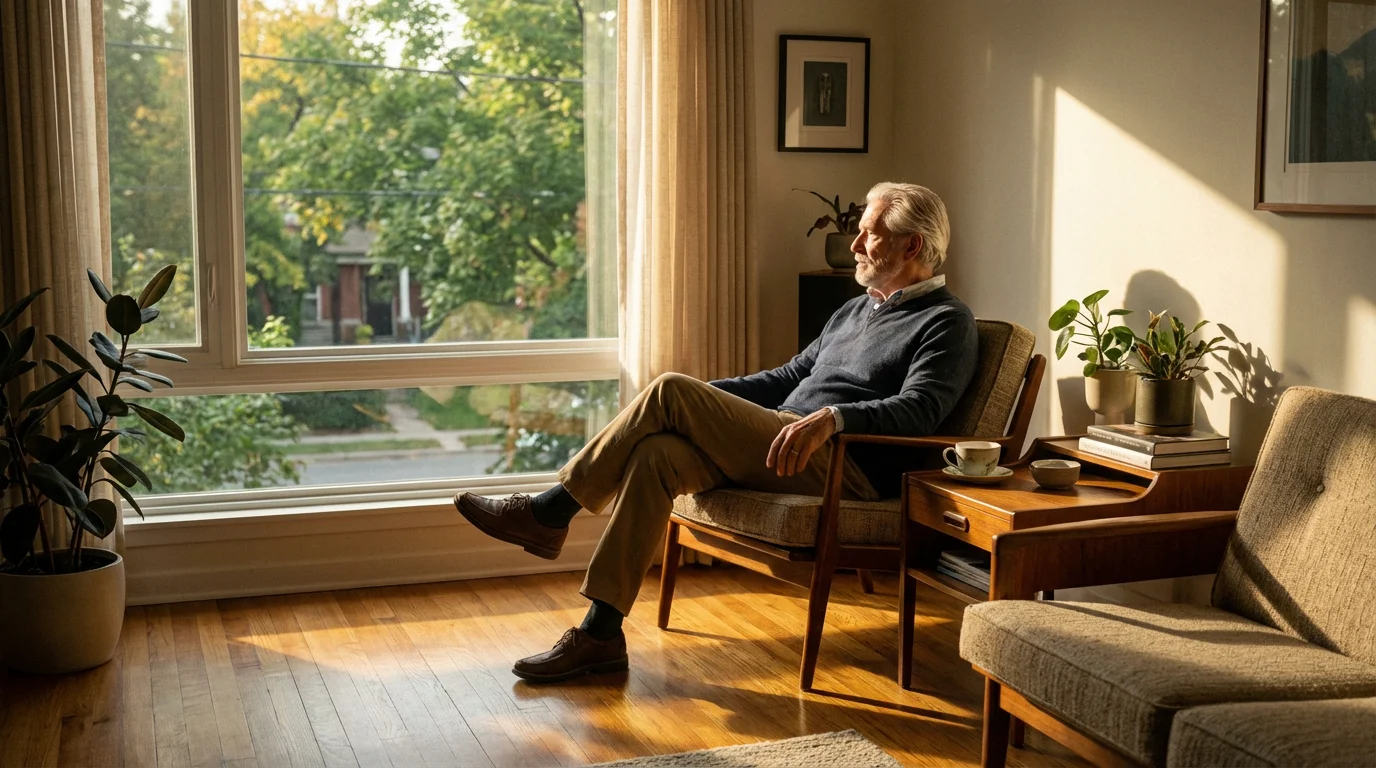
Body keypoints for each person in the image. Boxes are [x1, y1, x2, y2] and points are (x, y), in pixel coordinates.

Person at [455, 182, 979, 682]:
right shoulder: (854, 310)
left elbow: (921, 409)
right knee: (657, 451)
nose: (857, 244)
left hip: (845, 466)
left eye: (870, 233)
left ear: (911, 244)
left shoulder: (947, 322)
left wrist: (834, 419)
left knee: (670, 393)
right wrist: (699, 397)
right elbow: (788, 378)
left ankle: (549, 512)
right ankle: (601, 636)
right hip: (780, 441)